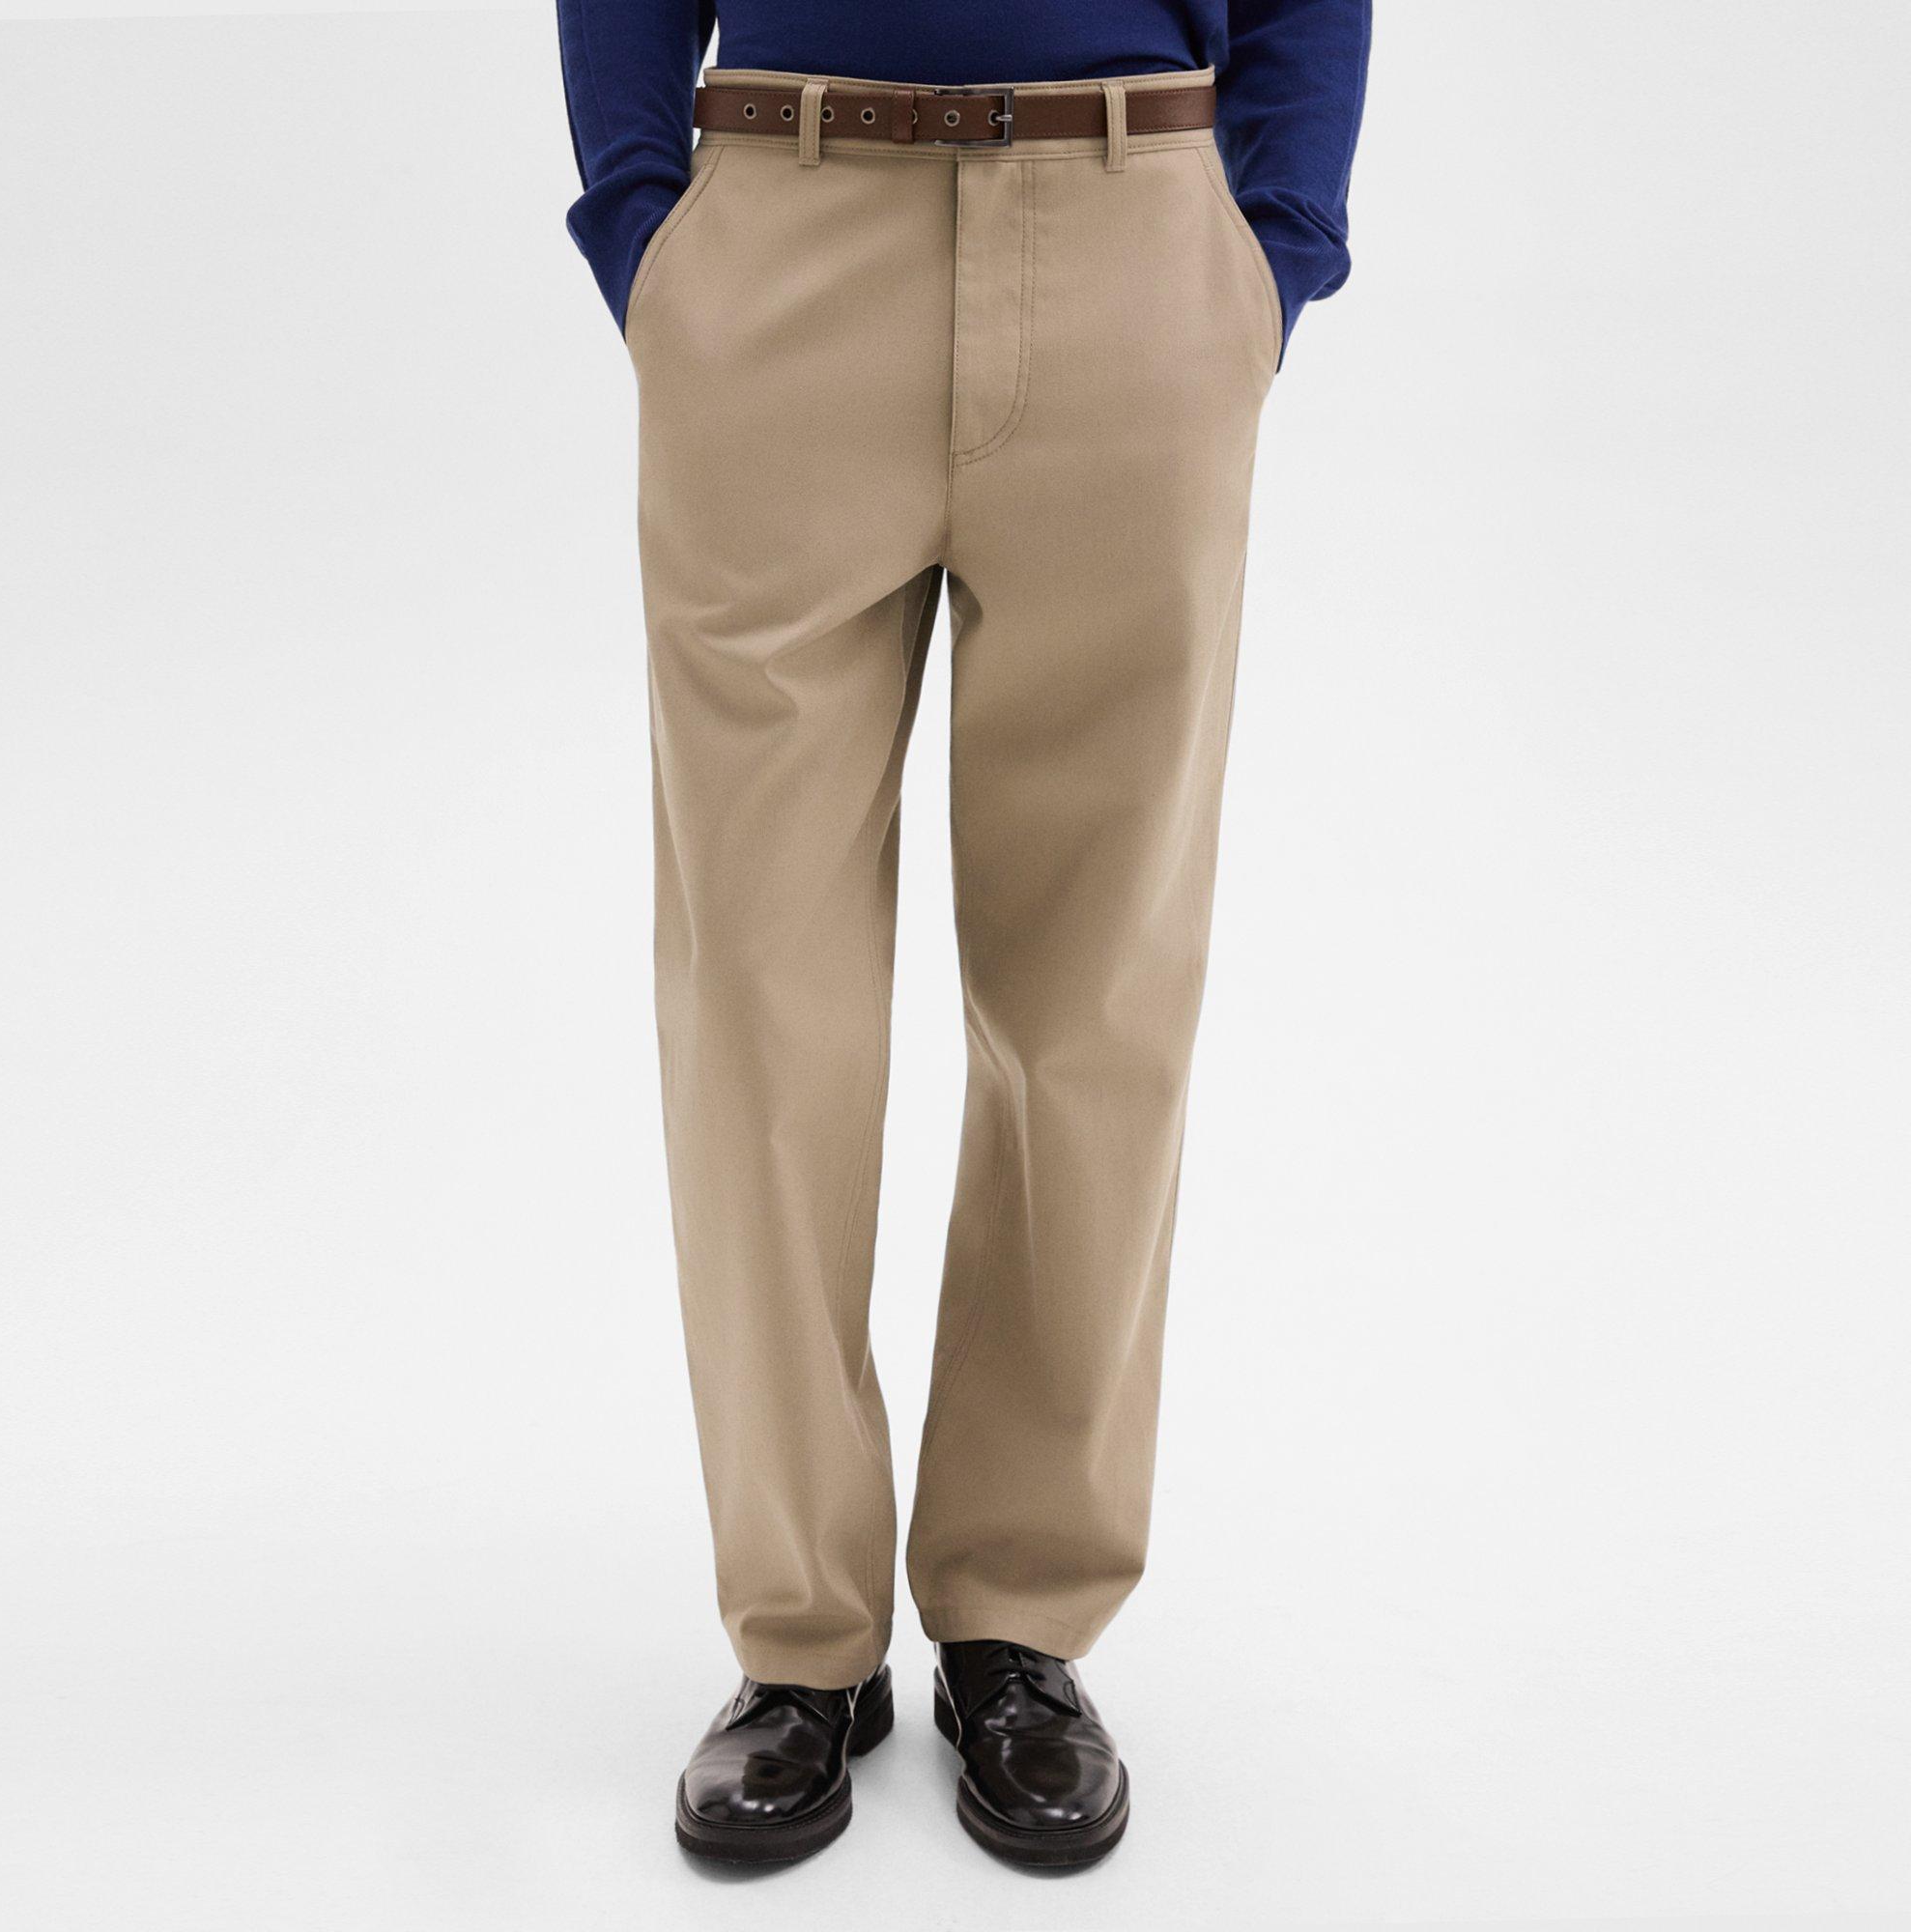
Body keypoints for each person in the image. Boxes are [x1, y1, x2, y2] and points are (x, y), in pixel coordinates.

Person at [553, 0, 1370, 1869]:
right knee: (755, 993)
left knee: (1095, 997)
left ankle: (1021, 1619)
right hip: (782, 232)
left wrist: (1273, 254)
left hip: (1134, 238)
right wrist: (647, 235)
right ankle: (799, 1635)